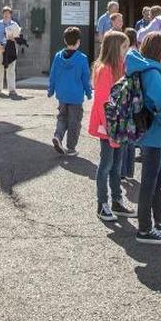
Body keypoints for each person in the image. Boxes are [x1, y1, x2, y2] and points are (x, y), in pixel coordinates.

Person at [127, 31, 161, 244]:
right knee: (150, 181)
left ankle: (159, 221)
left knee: (156, 178)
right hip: (153, 132)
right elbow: (160, 102)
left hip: (143, 130)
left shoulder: (140, 66)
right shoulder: (153, 72)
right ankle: (145, 228)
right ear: (160, 50)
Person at [88, 30, 136, 221]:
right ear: (116, 47)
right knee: (106, 164)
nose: (127, 50)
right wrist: (109, 127)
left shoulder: (121, 67)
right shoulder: (105, 69)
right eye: (124, 47)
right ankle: (102, 204)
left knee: (116, 166)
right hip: (109, 126)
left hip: (119, 125)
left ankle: (116, 201)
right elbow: (102, 101)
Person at [47, 26, 92, 157]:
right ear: (78, 42)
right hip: (76, 97)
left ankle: (58, 136)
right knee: (74, 122)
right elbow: (85, 78)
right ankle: (71, 148)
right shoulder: (82, 58)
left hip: (62, 95)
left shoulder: (58, 56)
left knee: (62, 118)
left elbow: (53, 74)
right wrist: (88, 92)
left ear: (65, 41)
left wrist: (51, 89)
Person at [0, 6, 18, 95]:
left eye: (8, 13)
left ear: (11, 15)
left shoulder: (14, 25)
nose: (6, 15)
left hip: (10, 48)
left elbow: (18, 37)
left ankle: (12, 89)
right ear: (3, 14)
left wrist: (13, 38)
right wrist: (0, 46)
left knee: (11, 69)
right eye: (5, 13)